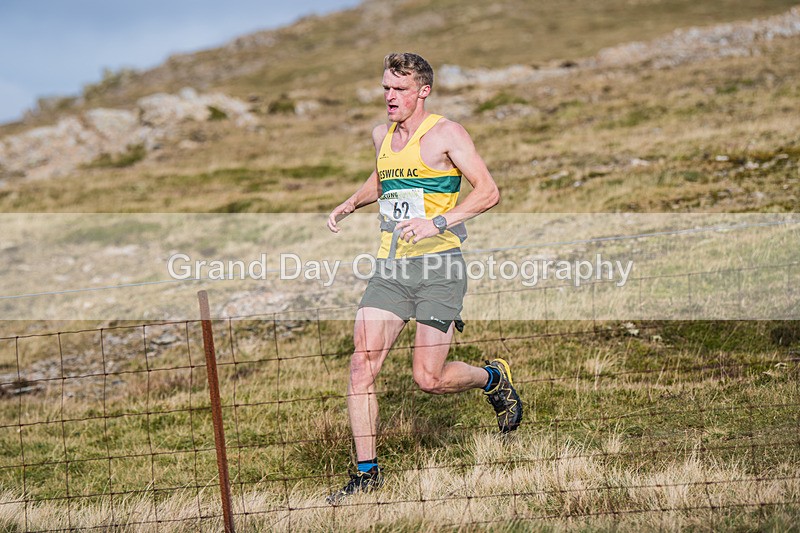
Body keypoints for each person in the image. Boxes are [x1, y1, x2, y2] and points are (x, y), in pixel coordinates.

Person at [325, 52, 522, 505]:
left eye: (399, 89)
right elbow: (385, 179)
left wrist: (438, 223)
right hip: (391, 267)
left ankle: (492, 378)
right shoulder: (382, 135)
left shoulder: (447, 134)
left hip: (439, 268)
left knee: (429, 379)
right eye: (385, 88)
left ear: (423, 91)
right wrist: (350, 203)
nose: (390, 97)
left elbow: (489, 191)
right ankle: (367, 474)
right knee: (361, 365)